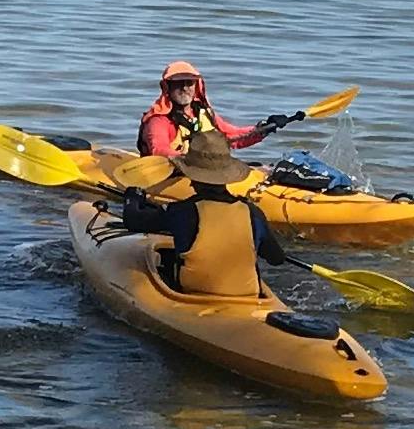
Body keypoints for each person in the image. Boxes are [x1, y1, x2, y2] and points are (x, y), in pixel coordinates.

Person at [111, 129, 293, 303]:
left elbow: (133, 221)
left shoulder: (183, 211)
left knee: (167, 259)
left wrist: (132, 198)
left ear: (192, 176)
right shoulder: (252, 212)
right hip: (246, 295)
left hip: (194, 294)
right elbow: (276, 259)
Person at [137, 62, 253, 161]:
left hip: (202, 170)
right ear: (167, 87)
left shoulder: (204, 113)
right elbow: (159, 149)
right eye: (178, 83)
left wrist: (260, 130)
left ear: (197, 86)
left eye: (189, 83)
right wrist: (192, 159)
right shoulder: (159, 120)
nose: (184, 88)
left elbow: (231, 137)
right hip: (169, 172)